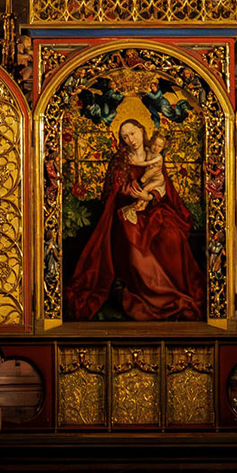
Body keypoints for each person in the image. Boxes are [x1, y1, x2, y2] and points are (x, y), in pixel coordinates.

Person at [67, 112, 204, 321]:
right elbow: (114, 190)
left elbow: (164, 185)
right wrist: (130, 190)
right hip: (125, 212)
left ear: (141, 130)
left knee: (172, 236)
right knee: (134, 244)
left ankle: (180, 290)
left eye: (132, 133)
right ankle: (156, 295)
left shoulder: (154, 156)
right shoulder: (120, 160)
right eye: (125, 137)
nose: (130, 139)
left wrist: (149, 196)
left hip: (154, 210)